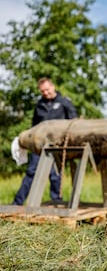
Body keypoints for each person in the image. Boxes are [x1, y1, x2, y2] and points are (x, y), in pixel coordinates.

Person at [12, 77, 78, 205]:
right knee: (31, 172)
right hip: (39, 147)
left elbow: (74, 123)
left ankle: (56, 202)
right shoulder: (39, 105)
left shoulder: (64, 102)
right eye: (42, 91)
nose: (45, 93)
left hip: (57, 147)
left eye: (47, 90)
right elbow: (34, 125)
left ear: (53, 87)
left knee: (55, 175)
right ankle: (17, 203)